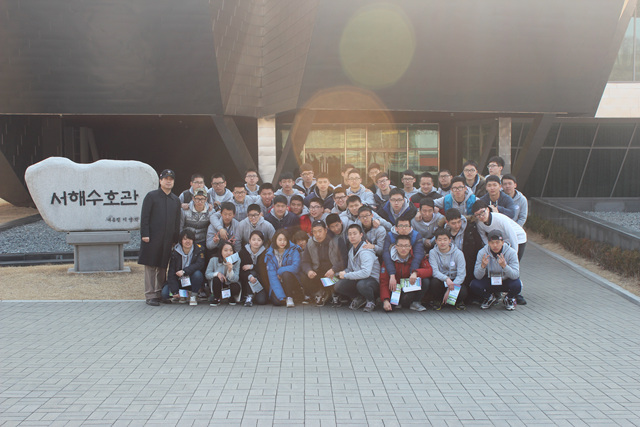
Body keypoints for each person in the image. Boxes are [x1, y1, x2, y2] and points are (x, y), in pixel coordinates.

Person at [138, 169, 181, 306]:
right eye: (166, 179)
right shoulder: (152, 196)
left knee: (163, 267)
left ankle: (160, 293)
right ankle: (150, 295)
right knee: (151, 266)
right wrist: (145, 234)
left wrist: (175, 239)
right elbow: (145, 217)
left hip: (167, 239)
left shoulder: (175, 200)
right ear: (160, 180)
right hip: (152, 238)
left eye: (171, 179)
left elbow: (177, 221)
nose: (168, 181)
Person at [470, 230, 521, 311]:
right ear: (488, 243)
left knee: (517, 284)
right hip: (490, 280)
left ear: (502, 242)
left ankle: (509, 298)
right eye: (492, 243)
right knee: (474, 284)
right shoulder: (482, 252)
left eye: (497, 242)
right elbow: (477, 276)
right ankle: (489, 298)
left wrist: (504, 266)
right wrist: (482, 266)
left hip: (505, 280)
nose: (495, 245)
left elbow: (515, 275)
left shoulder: (511, 252)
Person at [334, 224, 381, 313]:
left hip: (372, 281)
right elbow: (350, 269)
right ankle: (360, 298)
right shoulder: (351, 250)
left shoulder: (366, 251)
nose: (352, 236)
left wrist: (346, 275)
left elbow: (366, 273)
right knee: (338, 285)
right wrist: (340, 274)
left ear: (361, 235)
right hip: (359, 279)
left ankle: (371, 301)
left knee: (362, 285)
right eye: (350, 234)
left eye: (355, 233)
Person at [380, 234, 432, 312]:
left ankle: (415, 303)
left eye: (406, 246)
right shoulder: (389, 259)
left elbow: (429, 270)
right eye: (400, 246)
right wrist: (385, 300)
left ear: (410, 247)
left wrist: (416, 273)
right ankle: (396, 302)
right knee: (390, 307)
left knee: (425, 281)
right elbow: (383, 281)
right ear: (396, 247)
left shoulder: (416, 256)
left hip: (410, 287)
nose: (403, 248)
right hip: (395, 289)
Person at [300, 220, 345, 305]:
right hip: (318, 274)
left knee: (337, 281)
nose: (317, 234)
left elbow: (344, 260)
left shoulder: (337, 240)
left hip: (334, 274)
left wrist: (334, 269)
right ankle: (319, 292)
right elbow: (305, 261)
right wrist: (309, 270)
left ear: (325, 230)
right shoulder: (310, 242)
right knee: (303, 276)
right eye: (314, 232)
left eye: (320, 231)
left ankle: (333, 293)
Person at [161, 229, 205, 306]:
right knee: (165, 294)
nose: (187, 241)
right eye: (185, 239)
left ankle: (193, 296)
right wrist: (174, 291)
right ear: (181, 241)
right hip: (179, 280)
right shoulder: (175, 252)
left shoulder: (199, 249)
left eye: (190, 239)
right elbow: (171, 272)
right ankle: (181, 295)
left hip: (192, 279)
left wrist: (184, 271)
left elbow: (199, 264)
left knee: (198, 274)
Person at [381, 216, 425, 291]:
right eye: (401, 226)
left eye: (406, 226)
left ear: (410, 228)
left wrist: (413, 272)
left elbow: (418, 255)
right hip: (395, 264)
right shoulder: (390, 236)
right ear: (396, 228)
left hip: (410, 263)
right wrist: (392, 274)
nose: (404, 228)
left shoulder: (416, 235)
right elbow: (386, 255)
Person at [427, 228, 467, 310]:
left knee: (463, 292)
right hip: (442, 280)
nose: (442, 242)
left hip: (454, 280)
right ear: (436, 241)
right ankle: (438, 301)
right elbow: (434, 271)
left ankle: (457, 301)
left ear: (450, 240)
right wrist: (446, 279)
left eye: (445, 239)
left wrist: (450, 288)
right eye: (440, 240)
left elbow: (461, 274)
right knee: (434, 283)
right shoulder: (433, 252)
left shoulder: (458, 253)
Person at [264, 229, 303, 307]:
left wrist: (280, 271)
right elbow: (272, 276)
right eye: (280, 240)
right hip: (277, 281)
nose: (282, 242)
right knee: (277, 302)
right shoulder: (270, 253)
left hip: (291, 280)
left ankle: (290, 297)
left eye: (285, 240)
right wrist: (281, 296)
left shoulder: (293, 249)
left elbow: (296, 267)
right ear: (275, 240)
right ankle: (284, 296)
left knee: (286, 274)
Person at [238, 230, 269, 306]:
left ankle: (254, 295)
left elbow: (265, 269)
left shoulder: (265, 253)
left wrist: (252, 266)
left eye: (259, 240)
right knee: (252, 273)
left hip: (260, 281)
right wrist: (249, 276)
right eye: (253, 239)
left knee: (262, 301)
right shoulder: (243, 252)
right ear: (249, 241)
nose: (256, 242)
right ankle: (249, 296)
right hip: (247, 280)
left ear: (262, 242)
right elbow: (240, 271)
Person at [205, 241, 241, 306]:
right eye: (225, 250)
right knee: (216, 279)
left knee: (236, 286)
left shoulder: (237, 260)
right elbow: (207, 274)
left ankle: (231, 297)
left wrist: (230, 270)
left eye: (231, 250)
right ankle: (216, 298)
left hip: (229, 283)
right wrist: (217, 274)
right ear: (221, 251)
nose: (228, 253)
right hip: (219, 283)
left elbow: (236, 279)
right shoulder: (213, 259)